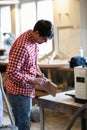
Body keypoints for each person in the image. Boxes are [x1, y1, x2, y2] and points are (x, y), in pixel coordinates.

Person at [6, 19, 54, 130]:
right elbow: (11, 73)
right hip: (18, 92)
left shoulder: (34, 41)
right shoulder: (22, 46)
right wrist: (33, 80)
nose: (45, 42)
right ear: (37, 32)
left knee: (25, 121)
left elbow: (32, 63)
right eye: (44, 39)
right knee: (23, 125)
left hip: (27, 90)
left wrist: (39, 73)